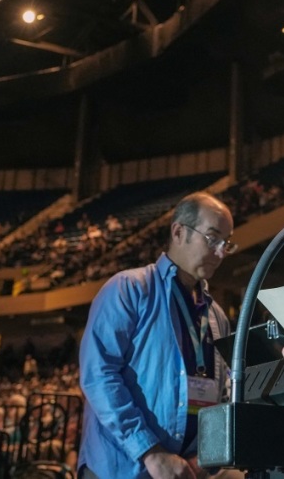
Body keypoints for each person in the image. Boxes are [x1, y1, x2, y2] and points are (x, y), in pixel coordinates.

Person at [78, 192, 238, 479]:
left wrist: (205, 456)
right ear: (179, 232)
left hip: (187, 471)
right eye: (213, 239)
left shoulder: (217, 317)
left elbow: (223, 394)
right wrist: (150, 452)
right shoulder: (128, 289)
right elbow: (99, 375)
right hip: (123, 469)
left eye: (226, 243)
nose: (221, 253)